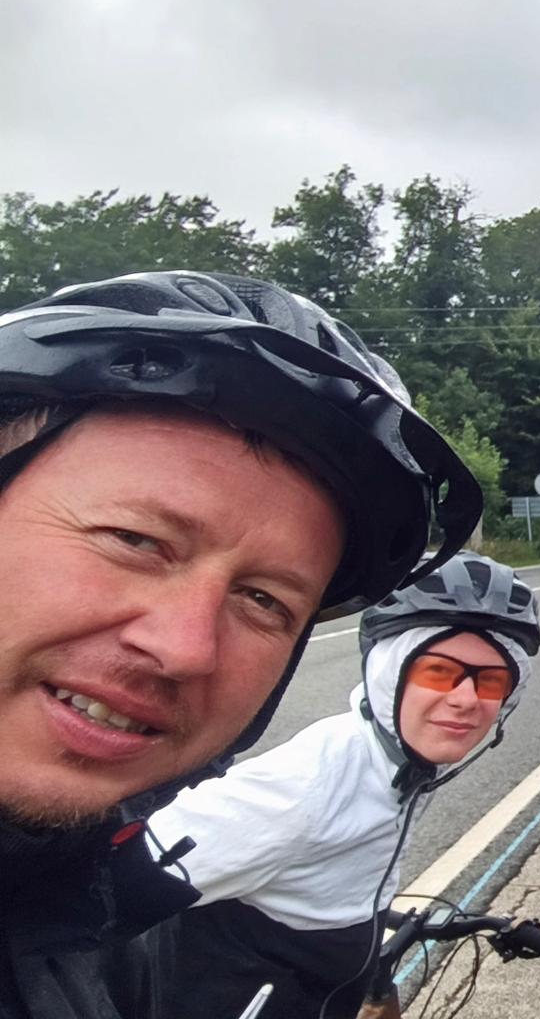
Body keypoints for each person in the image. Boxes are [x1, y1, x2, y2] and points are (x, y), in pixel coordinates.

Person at [0, 271, 482, 1019]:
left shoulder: (64, 928)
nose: (187, 648)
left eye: (264, 601)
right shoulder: (311, 785)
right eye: (136, 540)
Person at [135, 553, 540, 1017]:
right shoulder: (305, 787)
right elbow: (101, 900)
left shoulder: (404, 766)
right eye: (439, 672)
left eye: (491, 682)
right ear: (391, 674)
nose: (467, 700)